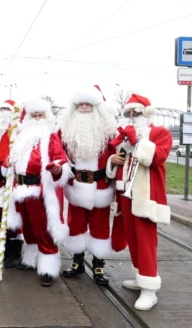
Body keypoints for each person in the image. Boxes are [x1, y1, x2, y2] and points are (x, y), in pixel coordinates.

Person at [107, 93, 172, 310]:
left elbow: (158, 157)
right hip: (125, 193)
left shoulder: (159, 133)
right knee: (132, 238)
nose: (132, 115)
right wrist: (112, 160)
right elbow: (117, 161)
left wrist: (137, 141)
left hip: (146, 196)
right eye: (128, 113)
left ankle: (149, 289)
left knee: (145, 240)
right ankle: (140, 276)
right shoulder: (124, 137)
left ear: (146, 113)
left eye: (136, 112)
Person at [6, 99, 71, 287]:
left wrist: (57, 169)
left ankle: (48, 268)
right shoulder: (20, 136)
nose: (36, 118)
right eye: (33, 115)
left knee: (43, 228)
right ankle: (31, 259)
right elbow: (13, 159)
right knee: (27, 228)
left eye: (40, 115)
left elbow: (61, 159)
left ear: (46, 117)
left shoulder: (51, 137)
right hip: (20, 190)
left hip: (40, 190)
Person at [57, 86, 118, 285]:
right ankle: (77, 261)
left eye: (88, 104)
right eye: (80, 104)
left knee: (100, 227)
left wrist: (115, 161)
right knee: (75, 226)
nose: (84, 107)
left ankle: (99, 265)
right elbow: (56, 152)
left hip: (100, 187)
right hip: (76, 187)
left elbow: (120, 153)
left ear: (96, 107)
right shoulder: (65, 130)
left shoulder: (109, 132)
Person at [0, 99, 24, 267]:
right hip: (1, 178)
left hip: (13, 179)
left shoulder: (18, 131)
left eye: (6, 109)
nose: (3, 112)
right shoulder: (0, 132)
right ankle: (6, 248)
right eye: (0, 108)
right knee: (0, 216)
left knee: (14, 218)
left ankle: (15, 254)